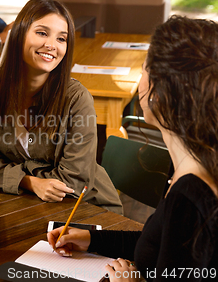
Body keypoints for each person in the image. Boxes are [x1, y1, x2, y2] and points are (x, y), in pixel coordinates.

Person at [48, 16, 218, 281]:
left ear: (160, 93)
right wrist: (92, 239)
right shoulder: (198, 165)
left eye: (143, 71)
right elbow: (160, 245)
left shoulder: (190, 199)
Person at [0, 0, 122, 214]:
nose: (51, 45)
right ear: (19, 33)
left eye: (61, 39)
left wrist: (13, 176)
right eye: (42, 33)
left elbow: (72, 181)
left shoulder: (77, 99)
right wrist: (30, 183)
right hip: (23, 204)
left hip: (86, 207)